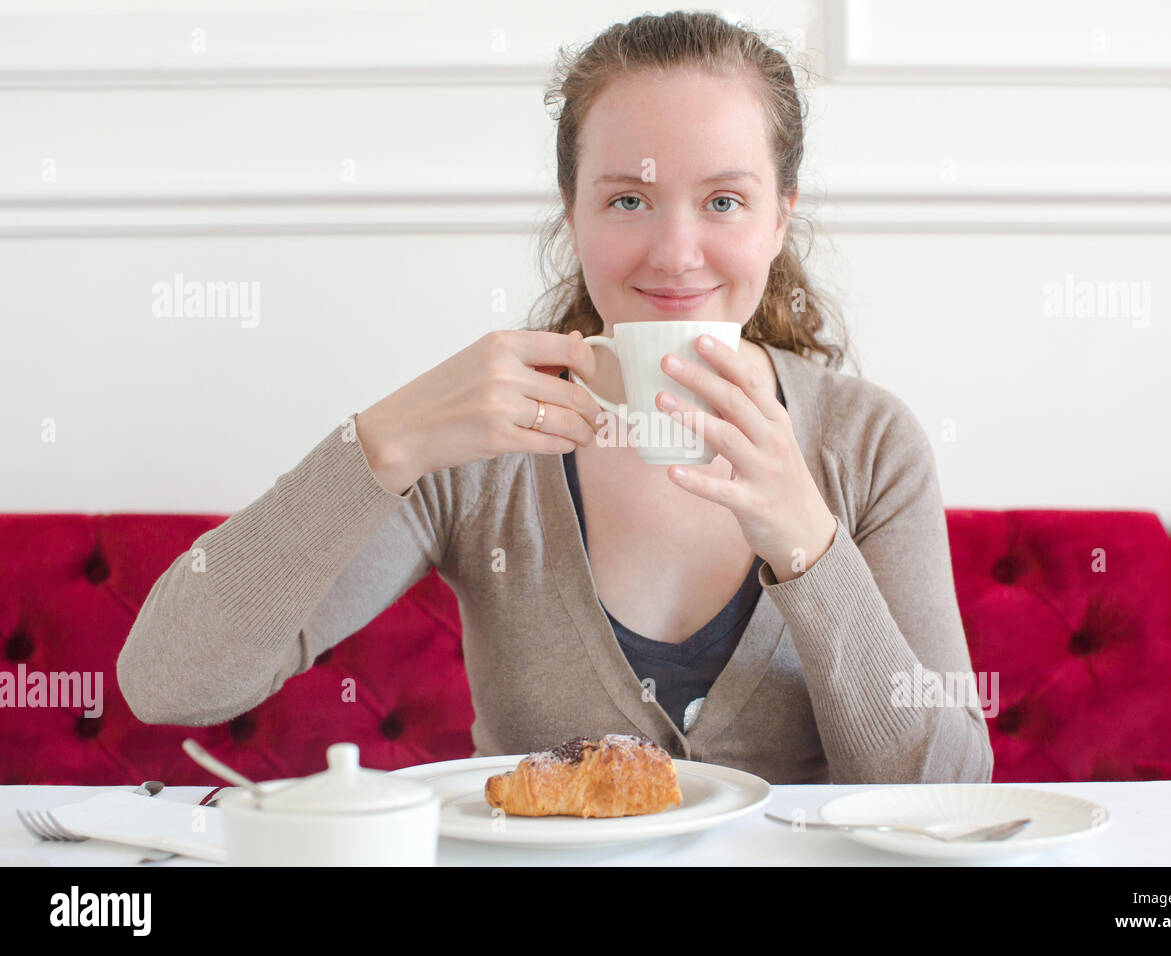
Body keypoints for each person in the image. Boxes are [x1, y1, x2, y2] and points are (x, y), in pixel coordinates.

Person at [117, 11, 993, 785]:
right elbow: (168, 683)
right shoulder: (488, 442)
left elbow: (950, 794)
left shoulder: (867, 442)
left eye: (724, 200)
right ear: (572, 213)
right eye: (628, 200)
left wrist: (809, 545)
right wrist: (378, 445)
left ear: (779, 218)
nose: (676, 252)